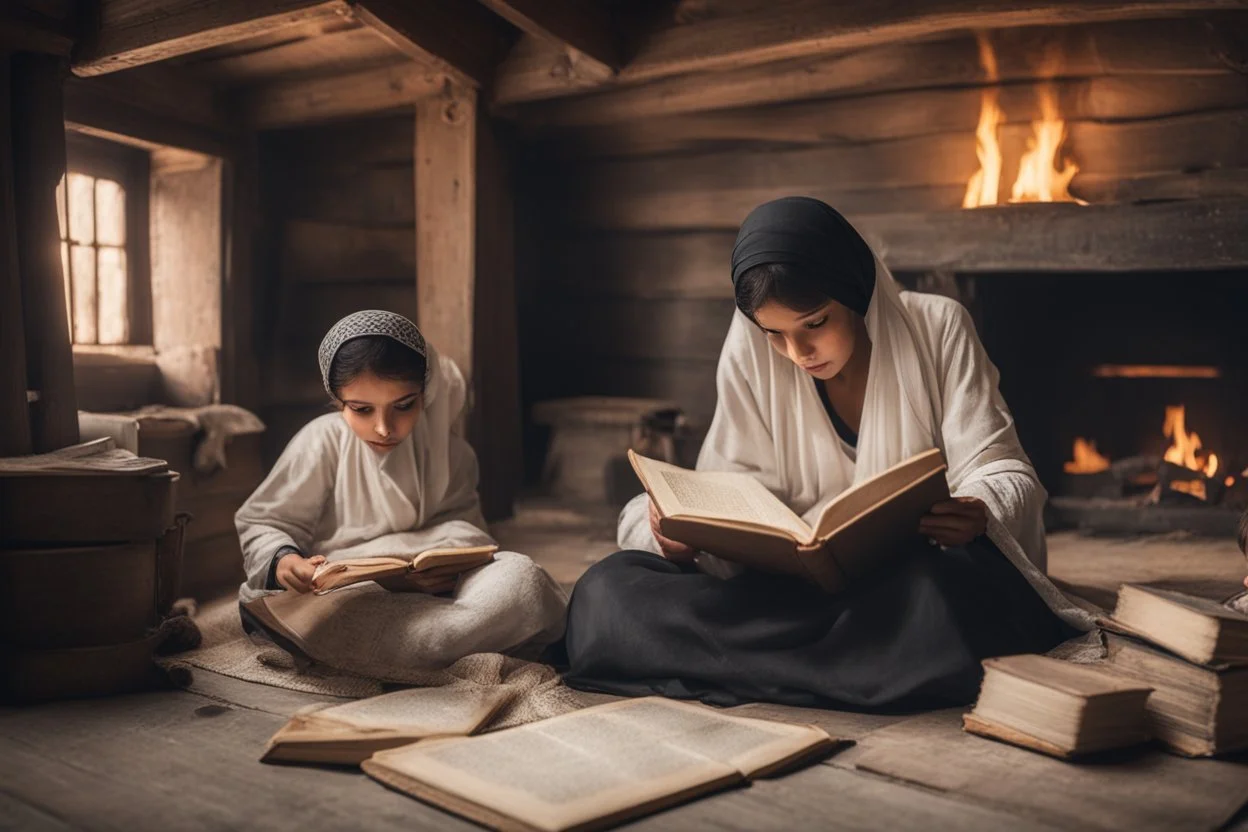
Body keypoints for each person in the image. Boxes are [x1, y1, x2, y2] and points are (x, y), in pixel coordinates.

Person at [559, 197, 1094, 710]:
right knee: (605, 591)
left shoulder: (938, 327)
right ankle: (849, 670)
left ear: (856, 291)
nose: (797, 353)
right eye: (775, 334)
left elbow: (1004, 470)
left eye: (815, 323)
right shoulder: (749, 344)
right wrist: (678, 538)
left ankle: (743, 667)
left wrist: (978, 510)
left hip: (902, 588)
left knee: (943, 600)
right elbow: (724, 490)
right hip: (790, 596)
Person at [235, 310, 566, 677]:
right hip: (352, 594)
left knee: (522, 578)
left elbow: (469, 530)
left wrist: (435, 565)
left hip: (435, 596)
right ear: (337, 402)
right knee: (344, 615)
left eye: (404, 406)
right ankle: (433, 650)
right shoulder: (323, 441)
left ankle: (408, 652)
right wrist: (284, 561)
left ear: (426, 393)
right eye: (361, 410)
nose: (383, 428)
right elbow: (264, 521)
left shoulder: (451, 453)